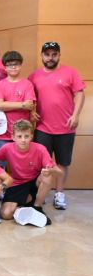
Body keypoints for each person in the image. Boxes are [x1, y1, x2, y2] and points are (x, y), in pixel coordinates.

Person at [29, 41, 85, 210]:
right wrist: (32, 112)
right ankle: (41, 192)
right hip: (42, 128)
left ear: (59, 55)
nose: (50, 58)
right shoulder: (34, 76)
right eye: (47, 54)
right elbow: (29, 98)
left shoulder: (70, 72)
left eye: (54, 54)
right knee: (41, 164)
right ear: (42, 56)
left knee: (62, 163)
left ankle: (59, 194)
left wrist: (75, 115)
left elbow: (80, 94)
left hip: (65, 128)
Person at [0, 120, 62, 226]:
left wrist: (50, 170)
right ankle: (27, 202)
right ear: (13, 137)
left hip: (35, 182)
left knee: (47, 176)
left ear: (31, 136)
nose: (23, 140)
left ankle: (37, 207)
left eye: (26, 136)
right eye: (19, 136)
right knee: (6, 215)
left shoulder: (40, 149)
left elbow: (59, 172)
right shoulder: (7, 148)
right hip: (16, 183)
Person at [0, 51, 36, 153]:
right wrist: (22, 105)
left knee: (21, 166)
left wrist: (7, 105)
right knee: (0, 166)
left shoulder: (27, 84)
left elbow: (29, 105)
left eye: (16, 64)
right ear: (5, 67)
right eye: (10, 65)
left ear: (20, 65)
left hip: (23, 135)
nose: (13, 67)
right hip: (3, 134)